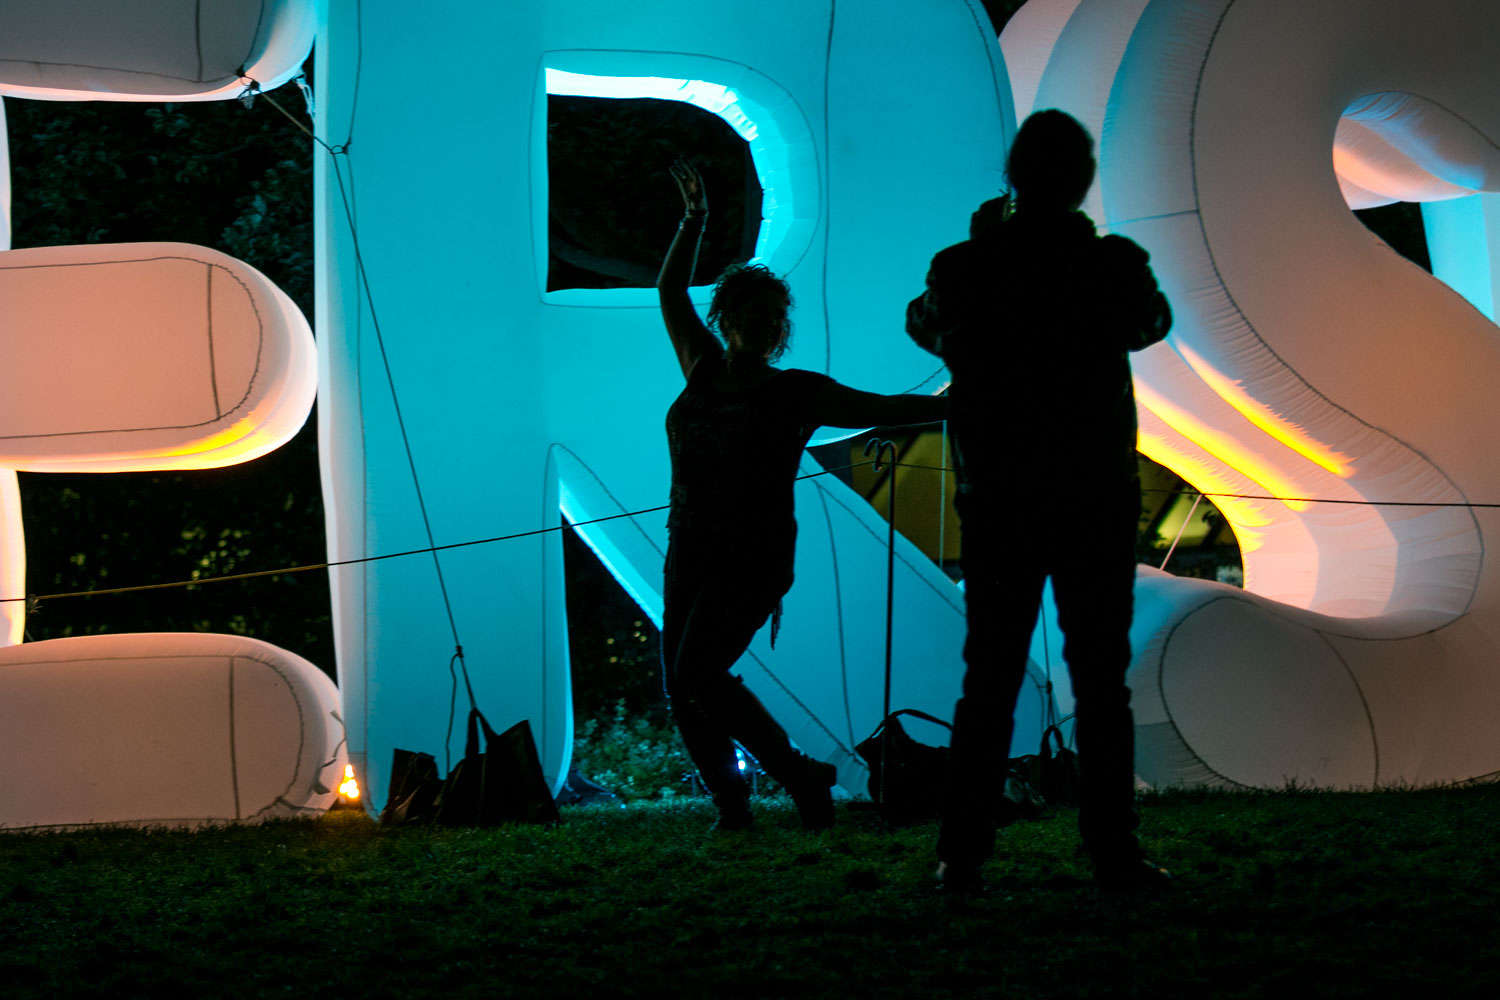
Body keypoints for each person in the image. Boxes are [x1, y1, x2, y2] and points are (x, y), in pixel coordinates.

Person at [905, 110, 1173, 890]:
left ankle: (962, 854)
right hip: (1093, 494)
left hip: (1000, 500)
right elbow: (1148, 323)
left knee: (987, 679)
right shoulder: (1110, 263)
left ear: (1012, 181)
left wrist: (987, 245)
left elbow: (924, 326)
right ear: (1082, 181)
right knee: (1100, 681)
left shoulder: (964, 267)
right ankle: (1113, 851)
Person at [659, 156, 948, 832]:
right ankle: (735, 806)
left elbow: (891, 408)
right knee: (684, 684)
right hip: (690, 548)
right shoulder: (701, 368)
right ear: (726, 318)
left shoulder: (796, 393)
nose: (758, 326)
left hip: (752, 555)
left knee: (698, 675)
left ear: (778, 328)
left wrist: (965, 405)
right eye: (747, 314)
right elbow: (671, 295)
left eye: (769, 318)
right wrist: (693, 222)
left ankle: (796, 774)